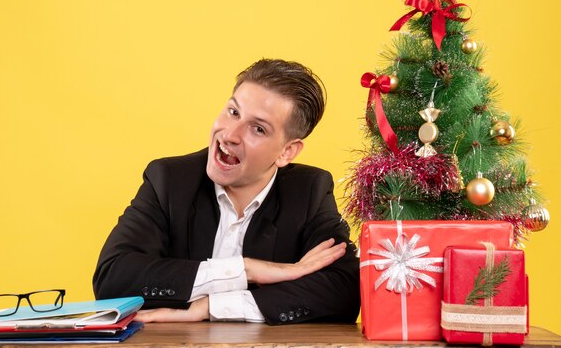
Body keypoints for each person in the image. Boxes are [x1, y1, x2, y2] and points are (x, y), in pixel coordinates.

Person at [93, 58, 360, 325]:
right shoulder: (169, 180)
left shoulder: (309, 191)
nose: (230, 134)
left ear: (286, 152)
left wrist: (214, 306)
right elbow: (112, 278)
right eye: (233, 112)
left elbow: (344, 290)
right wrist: (246, 270)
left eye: (258, 128)